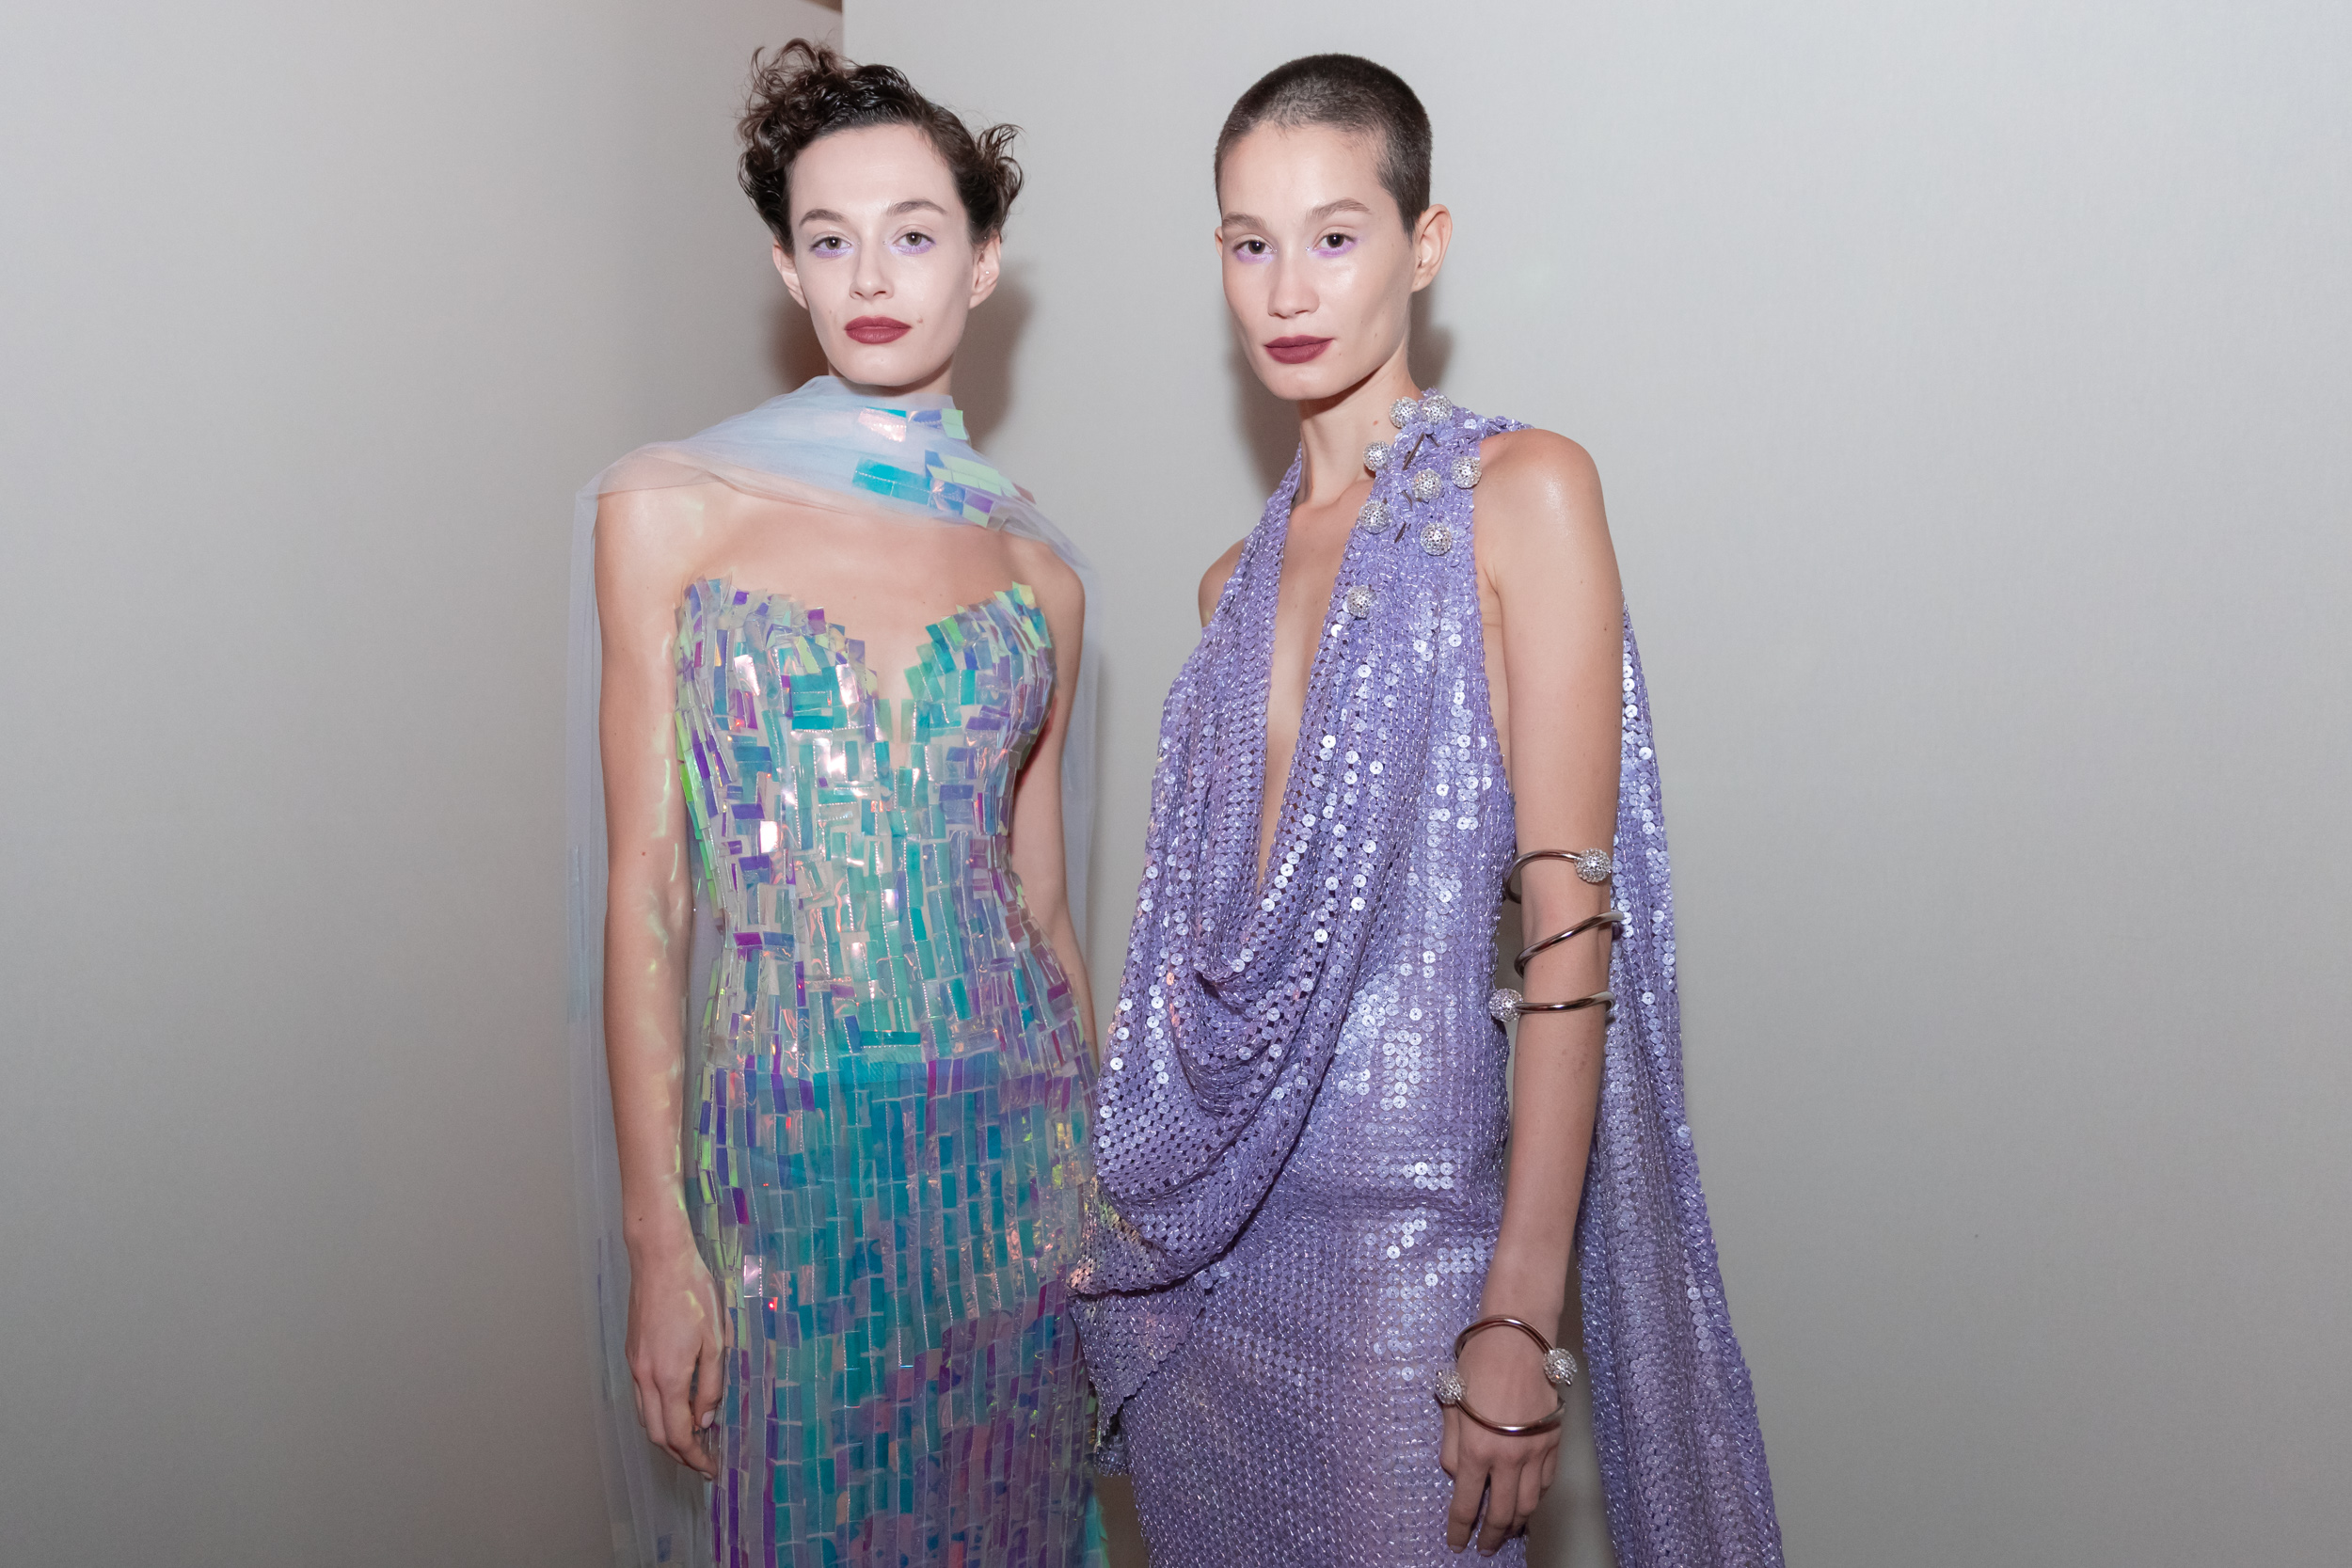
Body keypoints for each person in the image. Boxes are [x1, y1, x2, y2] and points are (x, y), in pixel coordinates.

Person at [1073, 55, 1782, 1567]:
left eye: (1335, 236)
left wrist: (1518, 1306)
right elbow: (1192, 979)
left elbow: (1571, 920)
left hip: (1412, 1257)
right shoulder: (1225, 591)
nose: (1287, 289)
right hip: (1201, 1279)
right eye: (1250, 243)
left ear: (1425, 245)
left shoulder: (1522, 494)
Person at [563, 41, 1104, 1568]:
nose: (871, 274)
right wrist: (660, 1238)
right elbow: (649, 892)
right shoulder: (669, 510)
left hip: (1016, 1166)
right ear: (785, 266)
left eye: (915, 234)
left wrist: (1101, 1206)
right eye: (830, 236)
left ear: (982, 262)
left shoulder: (1039, 570)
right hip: (779, 1173)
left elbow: (1043, 909)